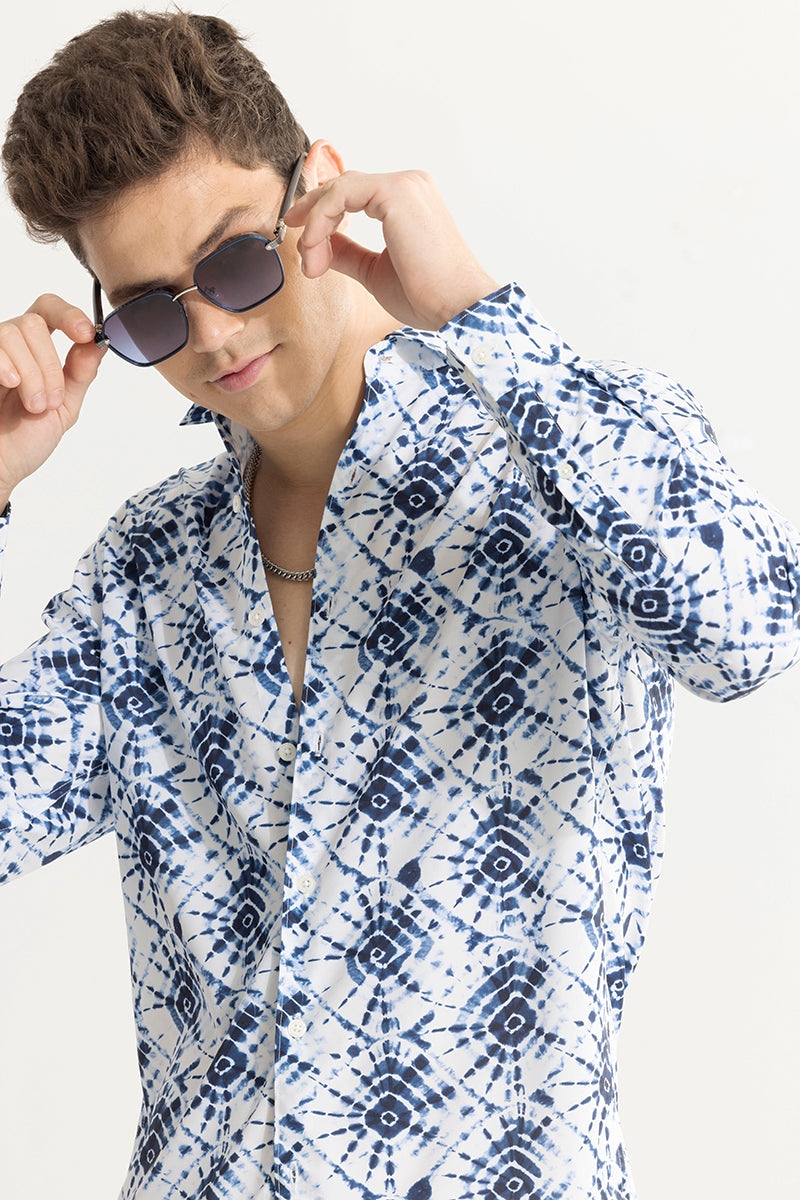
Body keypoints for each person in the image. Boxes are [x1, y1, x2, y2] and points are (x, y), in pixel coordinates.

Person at [0, 9, 797, 1200]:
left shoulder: (566, 459)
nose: (212, 332)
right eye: (154, 310)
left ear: (318, 188)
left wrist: (479, 311)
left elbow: (750, 631)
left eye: (233, 261)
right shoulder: (148, 571)